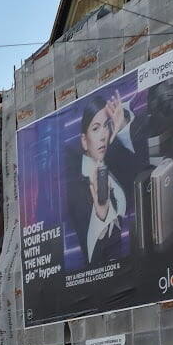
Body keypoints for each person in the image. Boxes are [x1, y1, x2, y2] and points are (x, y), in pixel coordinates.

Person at [66, 100, 128, 269]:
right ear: (84, 141)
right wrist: (102, 215)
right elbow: (93, 254)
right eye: (95, 128)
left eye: (107, 126)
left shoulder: (112, 168)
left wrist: (121, 126)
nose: (103, 135)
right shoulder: (76, 188)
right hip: (104, 280)